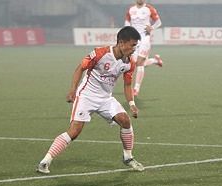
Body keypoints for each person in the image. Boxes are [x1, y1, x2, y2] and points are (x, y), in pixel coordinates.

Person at [36, 26, 145, 174]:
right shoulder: (100, 53)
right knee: (74, 132)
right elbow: (80, 68)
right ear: (121, 42)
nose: (134, 49)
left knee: (125, 121)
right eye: (132, 45)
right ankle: (45, 161)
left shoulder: (129, 63)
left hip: (106, 98)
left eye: (136, 45)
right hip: (86, 96)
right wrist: (73, 90)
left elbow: (127, 84)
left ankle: (128, 157)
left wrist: (131, 104)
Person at [124, 0, 163, 97]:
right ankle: (155, 60)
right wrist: (127, 31)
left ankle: (136, 89)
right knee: (136, 62)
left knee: (139, 63)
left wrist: (152, 27)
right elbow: (127, 21)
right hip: (134, 39)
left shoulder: (149, 9)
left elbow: (158, 22)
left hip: (145, 38)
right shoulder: (131, 9)